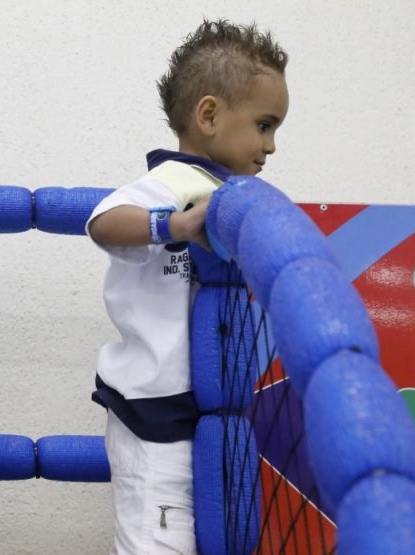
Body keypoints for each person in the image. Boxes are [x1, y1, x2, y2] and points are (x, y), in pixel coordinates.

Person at [86, 19, 289, 554]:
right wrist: (173, 225)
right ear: (209, 115)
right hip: (155, 411)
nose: (271, 146)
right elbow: (103, 223)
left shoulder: (240, 197)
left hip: (219, 414)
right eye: (264, 125)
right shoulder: (166, 187)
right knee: (158, 541)